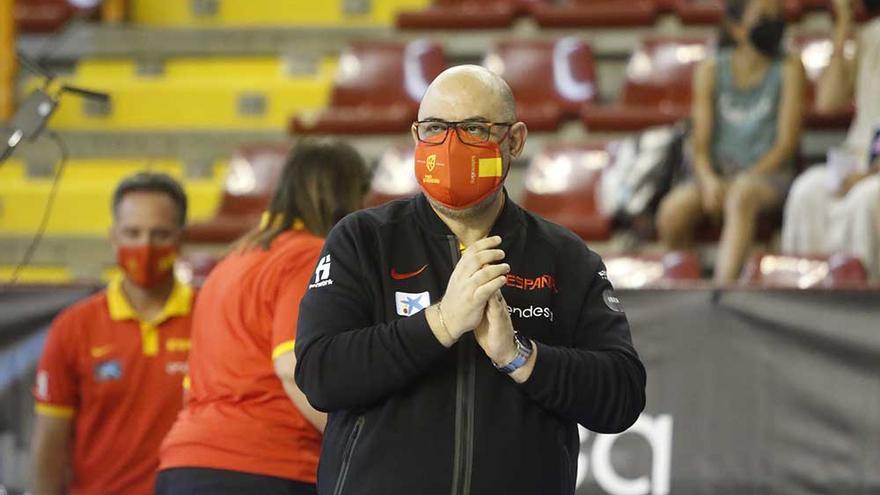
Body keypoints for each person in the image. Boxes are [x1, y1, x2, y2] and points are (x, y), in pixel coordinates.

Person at [294, 66, 646, 495]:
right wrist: (439, 324)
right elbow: (321, 374)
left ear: (514, 140)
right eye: (436, 128)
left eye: (475, 129)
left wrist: (519, 357)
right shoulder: (364, 239)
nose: (450, 145)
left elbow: (622, 395)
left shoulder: (565, 257)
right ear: (415, 136)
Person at [156, 140, 370, 495]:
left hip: (185, 463)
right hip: (265, 466)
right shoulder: (309, 256)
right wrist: (357, 446)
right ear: (344, 196)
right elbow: (292, 366)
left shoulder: (232, 259)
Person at [31, 172, 194, 495]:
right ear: (113, 235)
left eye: (159, 234)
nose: (144, 247)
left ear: (180, 239)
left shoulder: (212, 317)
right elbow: (50, 443)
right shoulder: (74, 326)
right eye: (133, 233)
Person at [656, 0, 805, 283]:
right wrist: (708, 179)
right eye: (762, 17)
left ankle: (722, 294)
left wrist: (744, 178)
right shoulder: (710, 70)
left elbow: (786, 144)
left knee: (741, 196)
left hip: (768, 175)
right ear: (736, 28)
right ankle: (687, 294)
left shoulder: (789, 67)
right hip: (720, 173)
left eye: (776, 16)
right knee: (672, 212)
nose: (772, 23)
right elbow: (699, 143)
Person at [781, 0, 880, 279]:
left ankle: (861, 303)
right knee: (806, 191)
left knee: (866, 201)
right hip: (858, 160)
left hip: (873, 174)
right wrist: (843, 28)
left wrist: (868, 174)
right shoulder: (870, 35)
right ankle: (804, 295)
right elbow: (828, 102)